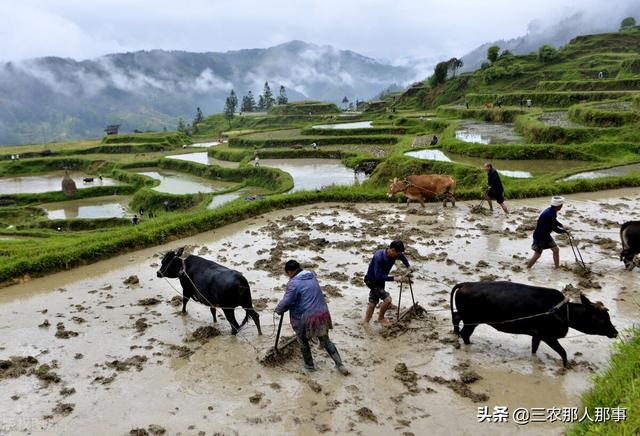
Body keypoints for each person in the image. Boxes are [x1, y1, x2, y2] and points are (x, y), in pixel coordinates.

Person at [275, 260, 349, 374]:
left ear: (289, 272)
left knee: (302, 341)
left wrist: (278, 310)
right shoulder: (311, 276)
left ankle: (309, 366)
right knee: (325, 340)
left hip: (306, 318)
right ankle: (340, 365)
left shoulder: (293, 283)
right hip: (323, 313)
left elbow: (287, 301)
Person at [363, 240, 411, 327]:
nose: (398, 255)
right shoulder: (379, 257)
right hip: (372, 280)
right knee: (388, 300)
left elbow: (402, 257)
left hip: (381, 280)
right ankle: (381, 318)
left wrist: (408, 266)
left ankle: (365, 322)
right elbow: (378, 276)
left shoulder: (395, 254)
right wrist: (395, 278)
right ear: (392, 250)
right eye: (397, 253)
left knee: (373, 302)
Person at [526, 196, 567, 269]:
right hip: (540, 236)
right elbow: (554, 228)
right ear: (559, 206)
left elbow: (554, 222)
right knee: (537, 254)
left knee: (556, 250)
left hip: (546, 235)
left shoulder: (551, 211)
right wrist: (564, 231)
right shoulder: (549, 214)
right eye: (562, 205)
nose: (562, 206)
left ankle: (557, 268)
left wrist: (561, 225)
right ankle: (528, 268)